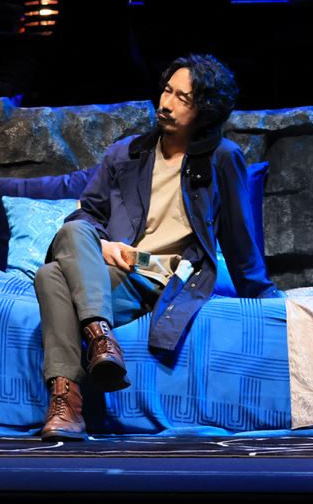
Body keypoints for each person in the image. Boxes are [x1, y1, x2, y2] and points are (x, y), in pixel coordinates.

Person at [34, 54, 280, 440]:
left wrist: (266, 297)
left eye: (183, 98)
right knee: (72, 233)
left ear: (205, 110)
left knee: (50, 276)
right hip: (112, 269)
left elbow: (239, 239)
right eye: (167, 91)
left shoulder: (222, 158)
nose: (166, 103)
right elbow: (88, 214)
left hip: (163, 280)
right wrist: (104, 245)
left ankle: (67, 402)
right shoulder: (125, 153)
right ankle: (100, 340)